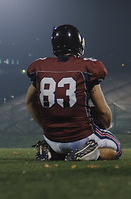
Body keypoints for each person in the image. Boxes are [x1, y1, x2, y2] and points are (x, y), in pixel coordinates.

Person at [25, 24, 122, 161]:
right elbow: (103, 112)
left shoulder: (40, 67)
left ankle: (52, 151)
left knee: (58, 144)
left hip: (52, 138)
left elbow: (29, 101)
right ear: (78, 43)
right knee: (116, 148)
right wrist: (105, 127)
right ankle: (91, 153)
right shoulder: (86, 67)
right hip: (81, 137)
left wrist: (46, 128)